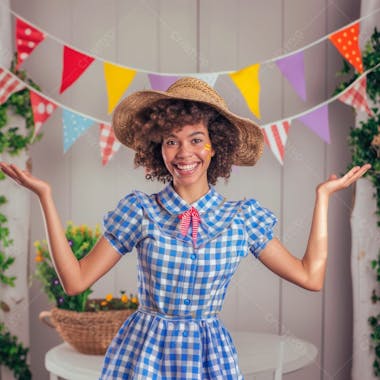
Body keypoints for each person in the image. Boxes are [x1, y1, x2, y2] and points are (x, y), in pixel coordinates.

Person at [0, 77, 370, 379]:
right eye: (171, 141)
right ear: (157, 149)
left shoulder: (242, 219)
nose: (183, 152)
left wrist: (323, 198)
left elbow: (311, 276)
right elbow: (76, 282)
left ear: (215, 147)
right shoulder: (140, 210)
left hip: (209, 359)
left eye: (196, 140)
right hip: (142, 354)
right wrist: (45, 198)